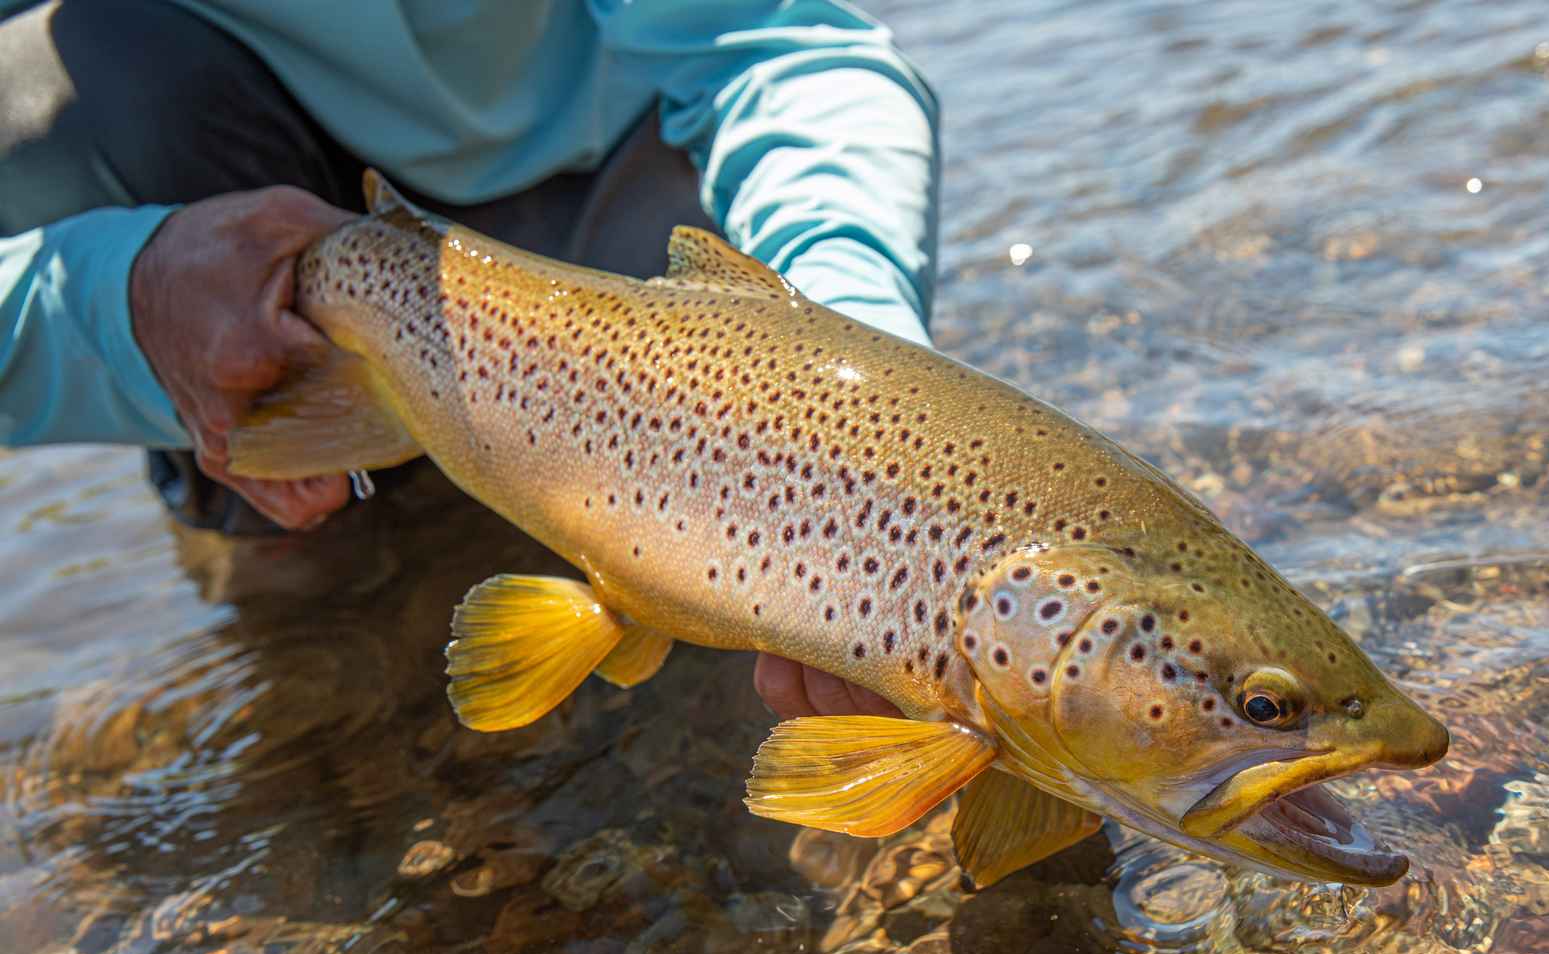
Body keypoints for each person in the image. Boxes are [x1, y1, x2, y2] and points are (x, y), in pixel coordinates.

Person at [0, 0, 930, 719]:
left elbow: (772, 42)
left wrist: (858, 358)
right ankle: (284, 530)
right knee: (50, 91)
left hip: (615, 192)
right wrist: (118, 298)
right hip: (200, 196)